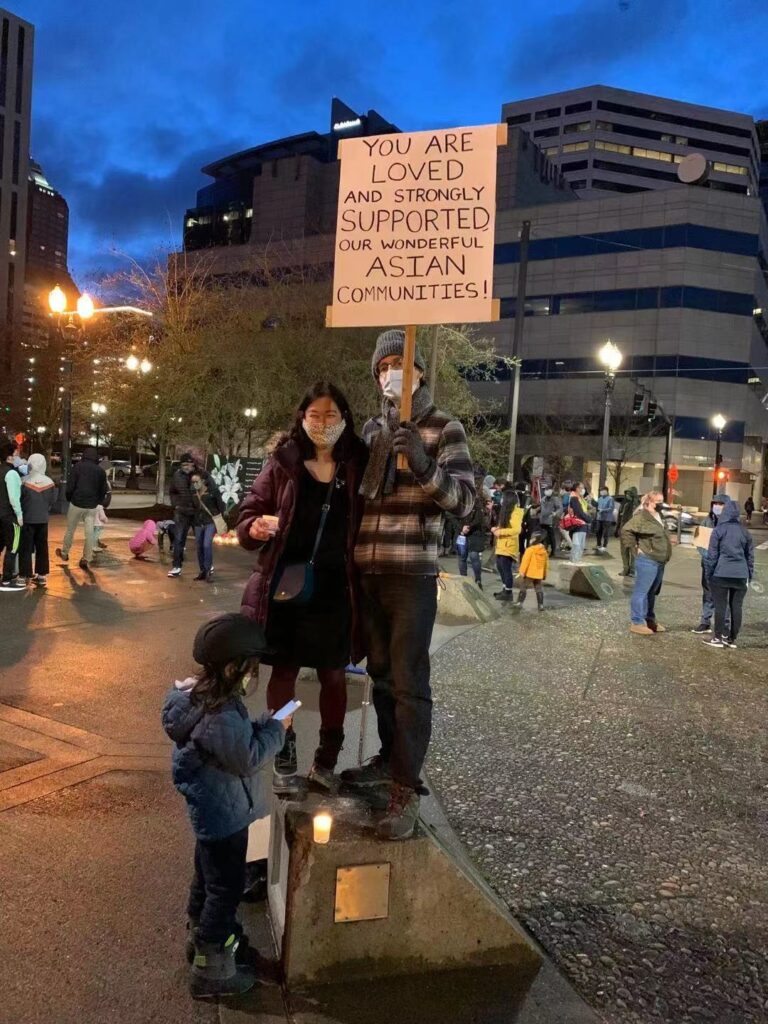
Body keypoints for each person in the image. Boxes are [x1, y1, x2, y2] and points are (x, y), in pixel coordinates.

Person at [341, 329, 474, 840]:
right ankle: (388, 760)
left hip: (411, 573)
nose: (389, 372)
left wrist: (422, 462)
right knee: (379, 678)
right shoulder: (372, 428)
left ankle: (406, 786)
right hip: (369, 570)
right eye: (382, 366)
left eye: (399, 362)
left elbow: (465, 503)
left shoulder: (445, 427)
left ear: (418, 369)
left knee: (409, 683)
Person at [237, 382, 367, 793]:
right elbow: (250, 509)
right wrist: (254, 527)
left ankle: (328, 756)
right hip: (287, 585)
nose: (322, 423)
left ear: (344, 418)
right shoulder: (284, 461)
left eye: (331, 415)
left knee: (333, 674)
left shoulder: (358, 462)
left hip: (337, 587)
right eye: (315, 415)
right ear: (302, 417)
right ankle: (284, 741)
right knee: (285, 671)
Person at [162, 613, 287, 998]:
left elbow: (235, 743)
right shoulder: (222, 714)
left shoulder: (202, 702)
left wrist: (261, 725)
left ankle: (202, 933)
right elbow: (247, 757)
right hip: (225, 818)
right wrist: (277, 729)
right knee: (226, 888)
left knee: (208, 878)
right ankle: (211, 963)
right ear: (233, 668)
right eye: (252, 669)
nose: (254, 676)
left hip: (213, 815)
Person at [702, 499, 754, 649]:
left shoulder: (718, 530)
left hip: (721, 573)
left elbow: (712, 556)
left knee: (721, 606)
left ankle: (718, 637)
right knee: (736, 607)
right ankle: (731, 638)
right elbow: (750, 557)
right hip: (741, 574)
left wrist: (709, 574)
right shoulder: (745, 532)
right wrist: (749, 575)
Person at [621, 490, 672, 636]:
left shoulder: (658, 516)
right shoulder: (642, 517)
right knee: (641, 592)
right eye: (658, 501)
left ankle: (650, 620)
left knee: (651, 593)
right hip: (648, 560)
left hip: (660, 560)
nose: (661, 504)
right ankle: (637, 622)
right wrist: (635, 548)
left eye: (662, 501)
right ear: (649, 502)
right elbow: (626, 530)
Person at [55, 446, 108, 571]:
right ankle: (86, 558)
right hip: (91, 506)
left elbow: (70, 486)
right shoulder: (100, 471)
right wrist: (97, 502)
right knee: (89, 533)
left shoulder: (77, 467)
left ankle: (64, 553)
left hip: (76, 503)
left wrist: (69, 498)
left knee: (70, 530)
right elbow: (103, 490)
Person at [168, 454, 218, 579]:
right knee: (179, 540)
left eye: (189, 464)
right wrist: (175, 504)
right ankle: (177, 566)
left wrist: (210, 505)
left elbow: (213, 489)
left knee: (202, 543)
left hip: (198, 513)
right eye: (184, 465)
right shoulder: (177, 476)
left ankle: (207, 566)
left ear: (193, 464)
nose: (186, 467)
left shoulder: (201, 474)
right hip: (182, 512)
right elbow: (172, 491)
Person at [691, 494, 728, 635]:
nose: (717, 506)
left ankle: (725, 625)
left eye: (720, 504)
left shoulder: (731, 524)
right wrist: (708, 557)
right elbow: (700, 543)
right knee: (708, 594)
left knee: (724, 595)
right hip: (708, 564)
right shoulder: (707, 521)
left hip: (724, 565)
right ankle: (705, 621)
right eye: (715, 504)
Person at [19, 453, 57, 587]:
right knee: (42, 547)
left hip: (27, 519)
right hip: (43, 519)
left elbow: (20, 500)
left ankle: (24, 575)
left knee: (25, 548)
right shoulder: (50, 482)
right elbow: (52, 501)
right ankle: (41, 575)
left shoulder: (24, 481)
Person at [491, 486, 525, 600]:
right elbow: (505, 526)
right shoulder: (506, 511)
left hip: (509, 545)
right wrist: (496, 529)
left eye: (503, 497)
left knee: (506, 569)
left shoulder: (516, 512)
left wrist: (500, 532)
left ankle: (508, 593)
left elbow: (516, 530)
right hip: (501, 544)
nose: (501, 499)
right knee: (500, 566)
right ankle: (504, 589)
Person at [191, 471, 226, 581]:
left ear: (203, 481)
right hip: (198, 523)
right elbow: (193, 508)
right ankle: (202, 571)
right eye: (192, 482)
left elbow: (221, 506)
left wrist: (218, 516)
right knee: (199, 547)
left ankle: (208, 571)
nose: (194, 484)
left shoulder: (212, 492)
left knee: (206, 545)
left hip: (210, 522)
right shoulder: (193, 493)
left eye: (196, 481)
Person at [0, 437, 25, 592]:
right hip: (9, 517)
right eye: (16, 454)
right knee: (13, 548)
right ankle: (7, 580)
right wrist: (19, 516)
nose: (18, 457)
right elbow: (14, 498)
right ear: (10, 456)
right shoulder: (12, 474)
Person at [457, 486, 486, 587]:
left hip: (474, 534)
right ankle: (463, 579)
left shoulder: (478, 504)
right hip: (462, 533)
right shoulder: (459, 503)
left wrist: (468, 527)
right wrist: (461, 528)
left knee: (474, 556)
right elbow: (453, 517)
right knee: (462, 557)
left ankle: (478, 580)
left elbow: (479, 519)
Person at [514, 530, 549, 611]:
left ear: (534, 540)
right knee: (538, 588)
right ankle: (541, 605)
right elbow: (546, 564)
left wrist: (522, 572)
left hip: (530, 573)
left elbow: (525, 562)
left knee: (524, 586)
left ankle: (519, 603)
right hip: (539, 574)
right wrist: (544, 574)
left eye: (531, 538)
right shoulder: (544, 551)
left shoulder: (530, 550)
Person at [617, 486, 640, 576]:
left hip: (633, 532)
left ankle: (633, 570)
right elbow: (621, 518)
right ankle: (625, 569)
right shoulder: (625, 504)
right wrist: (618, 529)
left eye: (629, 493)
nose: (627, 495)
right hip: (624, 530)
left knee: (633, 551)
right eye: (626, 493)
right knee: (624, 551)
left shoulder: (638, 506)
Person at [565, 483, 589, 564]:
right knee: (577, 545)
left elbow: (584, 509)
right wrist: (589, 519)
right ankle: (575, 562)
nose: (583, 490)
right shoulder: (574, 498)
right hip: (578, 524)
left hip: (582, 523)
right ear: (577, 488)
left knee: (580, 545)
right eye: (581, 488)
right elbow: (579, 512)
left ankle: (576, 561)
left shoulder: (579, 497)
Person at [538, 485, 561, 555]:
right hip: (542, 520)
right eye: (546, 490)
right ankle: (543, 550)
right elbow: (541, 508)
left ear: (551, 490)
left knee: (551, 536)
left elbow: (559, 508)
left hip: (550, 520)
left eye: (548, 489)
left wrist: (555, 513)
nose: (547, 491)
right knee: (542, 536)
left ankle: (553, 551)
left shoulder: (555, 499)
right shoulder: (543, 499)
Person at [595, 486, 614, 552]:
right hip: (599, 518)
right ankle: (598, 544)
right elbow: (597, 506)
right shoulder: (599, 498)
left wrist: (602, 510)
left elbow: (611, 508)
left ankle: (604, 546)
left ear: (606, 491)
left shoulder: (610, 499)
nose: (601, 492)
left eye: (602, 490)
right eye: (600, 491)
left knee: (605, 533)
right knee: (598, 532)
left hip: (607, 518)